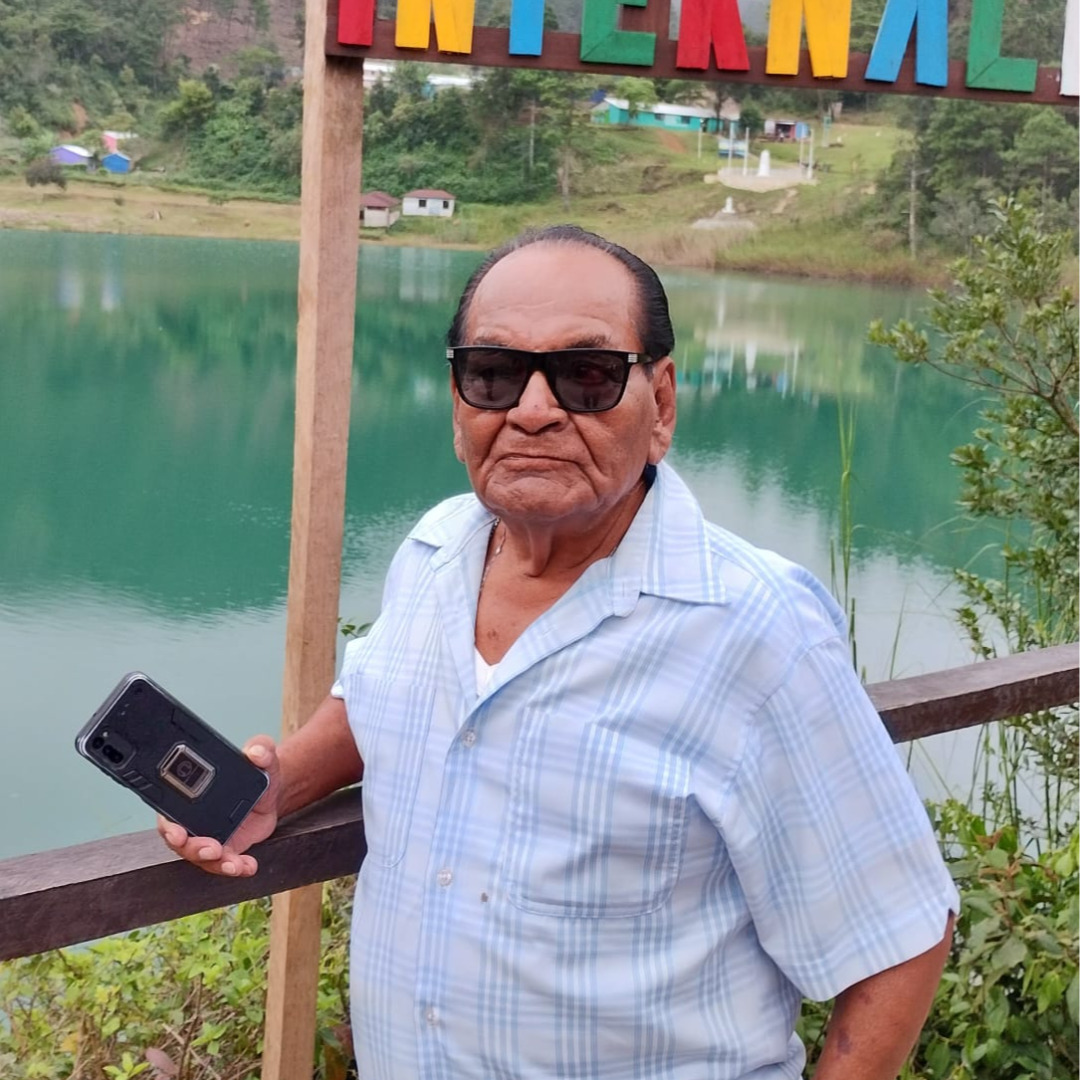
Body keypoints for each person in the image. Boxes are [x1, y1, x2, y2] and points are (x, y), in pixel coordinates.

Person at [160, 225, 958, 1080]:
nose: (533, 410)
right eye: (493, 373)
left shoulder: (752, 630)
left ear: (662, 404)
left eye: (586, 375)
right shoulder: (436, 552)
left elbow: (899, 936)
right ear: (459, 402)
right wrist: (275, 785)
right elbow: (381, 696)